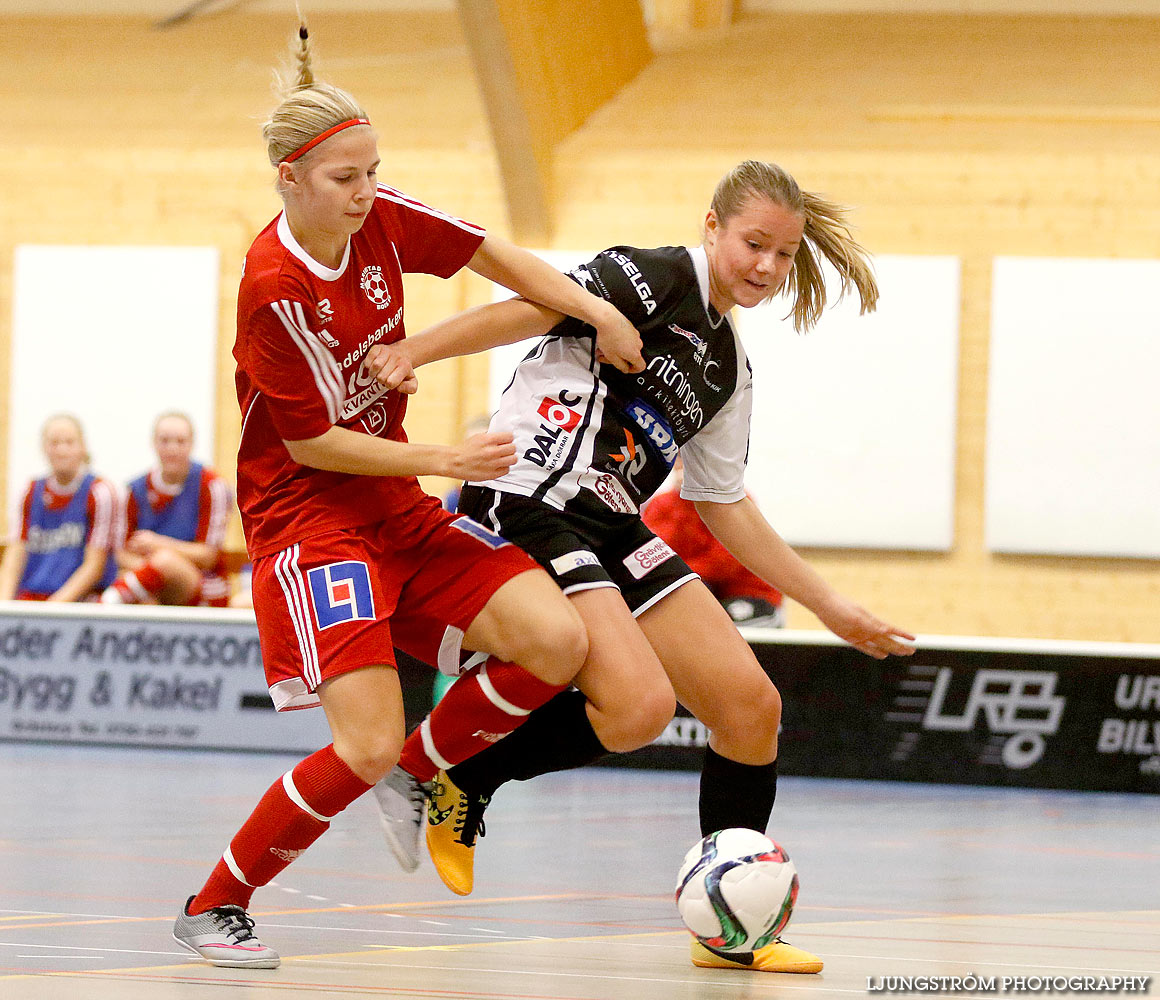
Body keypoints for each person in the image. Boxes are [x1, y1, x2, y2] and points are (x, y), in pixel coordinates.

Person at [170, 23, 645, 970]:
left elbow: (496, 256)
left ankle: (423, 774)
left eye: (374, 171)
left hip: (396, 508)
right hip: (313, 522)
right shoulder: (273, 286)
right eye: (346, 178)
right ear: (291, 180)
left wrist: (595, 310)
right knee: (364, 743)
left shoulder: (379, 218)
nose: (367, 192)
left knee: (556, 642)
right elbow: (311, 440)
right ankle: (214, 904)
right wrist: (442, 454)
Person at [369, 159, 916, 975]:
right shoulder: (655, 276)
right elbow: (529, 306)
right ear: (712, 226)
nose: (765, 267)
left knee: (749, 707)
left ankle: (733, 931)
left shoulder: (728, 366)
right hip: (531, 493)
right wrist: (416, 348)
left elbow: (722, 502)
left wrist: (831, 605)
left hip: (611, 520)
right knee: (639, 708)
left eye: (782, 254)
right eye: (753, 244)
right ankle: (463, 775)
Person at [99, 412, 234, 608]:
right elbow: (121, 554)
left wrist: (157, 545)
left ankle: (104, 604)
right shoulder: (134, 490)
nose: (172, 449)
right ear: (153, 443)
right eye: (165, 441)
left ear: (191, 444)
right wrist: (155, 572)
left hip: (203, 583)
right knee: (143, 589)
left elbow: (208, 556)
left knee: (164, 561)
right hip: (150, 581)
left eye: (180, 441)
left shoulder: (212, 486)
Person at [642, 456, 784, 626]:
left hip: (748, 593)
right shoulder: (662, 504)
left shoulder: (733, 500)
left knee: (720, 631)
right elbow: (654, 551)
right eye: (680, 457)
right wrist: (684, 499)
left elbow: (724, 562)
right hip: (702, 590)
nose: (687, 463)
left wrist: (677, 573)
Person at [0, 414, 117, 602]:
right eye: (54, 443)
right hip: (33, 594)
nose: (62, 450)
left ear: (82, 447)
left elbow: (95, 565)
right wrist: (4, 604)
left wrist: (54, 609)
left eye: (69, 442)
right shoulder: (29, 491)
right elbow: (15, 554)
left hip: (80, 600)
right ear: (44, 449)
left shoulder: (99, 492)